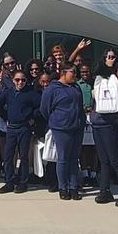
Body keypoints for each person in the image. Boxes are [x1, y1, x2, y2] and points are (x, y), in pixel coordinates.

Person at [91, 50, 118, 206]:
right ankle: (105, 190)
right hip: (97, 123)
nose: (109, 59)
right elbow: (96, 71)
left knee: (115, 159)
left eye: (112, 57)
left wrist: (111, 67)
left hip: (109, 125)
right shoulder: (99, 79)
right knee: (104, 160)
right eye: (107, 56)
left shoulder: (117, 82)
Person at [41, 63, 86, 200]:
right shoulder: (52, 89)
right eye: (72, 72)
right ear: (63, 72)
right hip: (61, 128)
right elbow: (44, 109)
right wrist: (57, 120)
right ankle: (63, 187)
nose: (75, 75)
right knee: (63, 158)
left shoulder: (76, 87)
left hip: (77, 127)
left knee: (74, 158)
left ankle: (73, 187)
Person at [0, 69, 39, 194]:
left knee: (23, 156)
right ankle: (9, 182)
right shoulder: (8, 92)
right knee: (8, 157)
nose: (20, 82)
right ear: (13, 81)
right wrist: (5, 116)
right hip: (11, 128)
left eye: (23, 80)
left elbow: (40, 107)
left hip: (24, 128)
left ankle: (23, 183)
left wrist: (32, 117)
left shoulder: (31, 93)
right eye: (17, 80)